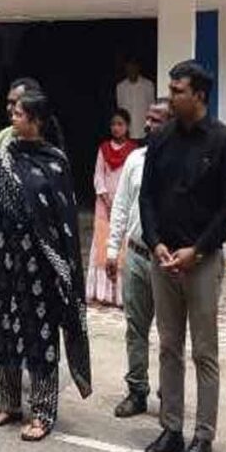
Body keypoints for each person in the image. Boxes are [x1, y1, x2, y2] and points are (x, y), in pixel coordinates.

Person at [0, 91, 91, 442]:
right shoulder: (3, 158)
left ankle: (43, 411)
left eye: (18, 114)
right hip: (5, 260)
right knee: (5, 332)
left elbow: (61, 219)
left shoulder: (55, 161)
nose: (12, 118)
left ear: (36, 121)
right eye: (12, 112)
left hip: (40, 267)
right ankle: (10, 403)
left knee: (40, 336)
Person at [140, 60, 226, 452]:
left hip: (201, 261)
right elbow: (147, 196)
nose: (171, 95)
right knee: (168, 346)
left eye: (177, 89)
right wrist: (156, 242)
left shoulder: (225, 142)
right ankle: (172, 428)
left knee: (204, 352)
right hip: (164, 260)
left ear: (199, 94)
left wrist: (196, 250)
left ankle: (203, 437)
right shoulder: (161, 139)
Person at [105, 99, 171, 419]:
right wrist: (111, 250)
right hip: (136, 255)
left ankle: (169, 394)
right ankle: (137, 390)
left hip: (169, 262)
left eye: (156, 120)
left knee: (170, 334)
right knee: (135, 328)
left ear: (172, 123)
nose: (147, 125)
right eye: (147, 119)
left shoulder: (180, 161)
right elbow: (120, 206)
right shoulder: (135, 159)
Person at [87, 108, 138, 307]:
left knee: (123, 245)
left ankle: (121, 294)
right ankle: (102, 292)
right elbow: (98, 175)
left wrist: (120, 201)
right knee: (103, 245)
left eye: (120, 124)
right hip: (104, 202)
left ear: (127, 127)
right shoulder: (103, 148)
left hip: (124, 202)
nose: (116, 128)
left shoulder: (133, 150)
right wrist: (105, 197)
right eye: (113, 124)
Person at [0, 77, 42, 152]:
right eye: (8, 102)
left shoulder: (48, 137)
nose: (8, 108)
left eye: (14, 103)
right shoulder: (4, 136)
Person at [116, 58, 155, 141]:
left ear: (138, 68)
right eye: (128, 68)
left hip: (143, 132)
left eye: (133, 68)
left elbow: (152, 108)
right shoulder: (120, 87)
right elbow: (120, 110)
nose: (131, 71)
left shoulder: (148, 85)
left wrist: (149, 126)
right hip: (127, 133)